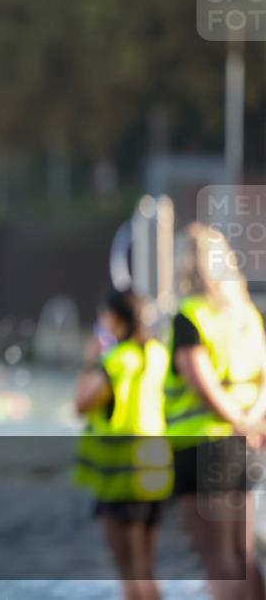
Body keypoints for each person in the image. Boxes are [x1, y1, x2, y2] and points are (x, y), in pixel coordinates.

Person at [163, 223, 266, 600]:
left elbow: (202, 384)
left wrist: (237, 422)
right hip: (245, 443)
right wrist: (251, 422)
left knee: (216, 555)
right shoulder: (247, 315)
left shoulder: (190, 315)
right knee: (244, 554)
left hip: (202, 445)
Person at [73, 290, 172, 600]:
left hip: (122, 473)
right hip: (156, 466)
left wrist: (90, 362)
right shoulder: (159, 353)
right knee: (147, 568)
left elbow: (82, 404)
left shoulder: (116, 360)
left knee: (129, 571)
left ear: (115, 319)